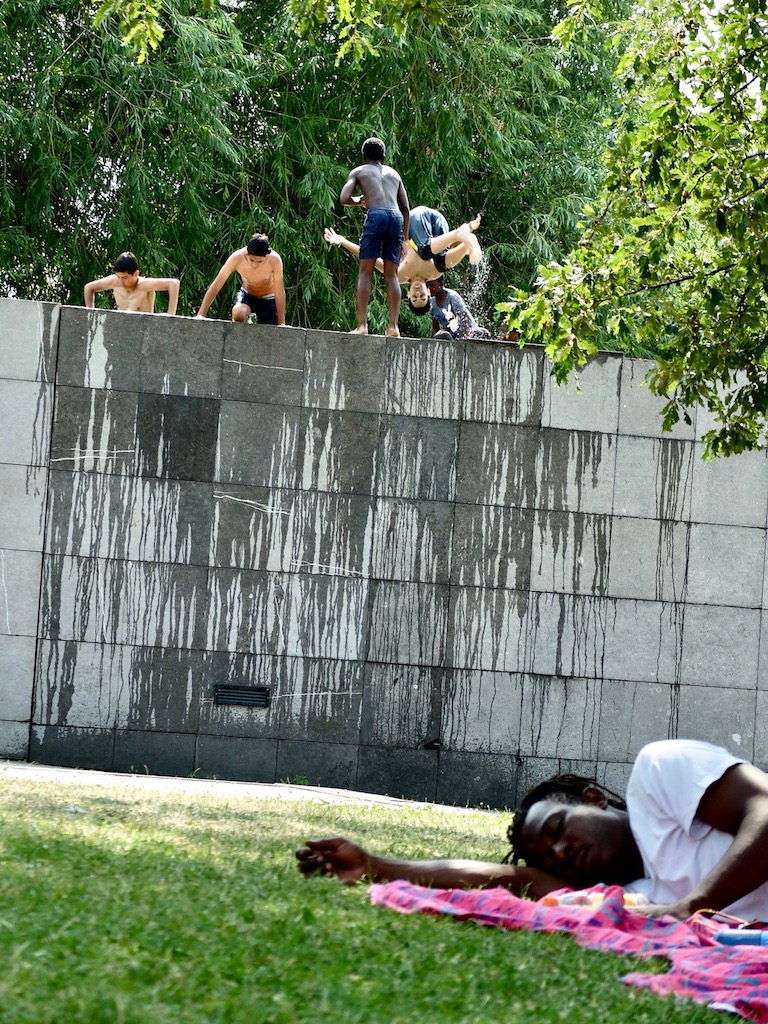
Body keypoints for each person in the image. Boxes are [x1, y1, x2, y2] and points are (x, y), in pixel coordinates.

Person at [296, 739, 768, 922]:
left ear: (593, 798)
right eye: (550, 856)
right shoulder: (627, 895)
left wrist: (692, 906)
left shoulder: (658, 773)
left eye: (559, 827)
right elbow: (509, 883)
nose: (562, 850)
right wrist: (377, 866)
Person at [339, 137, 410, 338]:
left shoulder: (359, 171)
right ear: (384, 157)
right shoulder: (394, 174)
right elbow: (405, 208)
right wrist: (405, 239)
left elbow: (344, 198)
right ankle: (393, 328)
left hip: (376, 215)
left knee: (365, 272)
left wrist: (359, 201)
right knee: (392, 275)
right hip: (396, 218)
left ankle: (362, 326)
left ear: (364, 157)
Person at [196, 233, 286, 324]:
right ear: (247, 253)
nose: (254, 265)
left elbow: (279, 292)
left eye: (259, 261)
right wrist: (201, 314)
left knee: (269, 327)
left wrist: (281, 322)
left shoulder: (275, 260)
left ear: (267, 256)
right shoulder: (237, 257)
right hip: (247, 294)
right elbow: (217, 284)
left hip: (268, 298)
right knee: (239, 314)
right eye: (251, 260)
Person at [83, 252, 179, 314]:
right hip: (123, 330)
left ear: (136, 274)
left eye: (125, 277)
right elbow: (89, 287)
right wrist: (91, 314)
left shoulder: (144, 285)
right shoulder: (114, 282)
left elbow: (173, 284)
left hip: (144, 331)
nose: (121, 281)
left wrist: (170, 316)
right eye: (118, 277)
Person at [410, 276, 490, 340]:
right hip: (453, 337)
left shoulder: (452, 297)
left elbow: (465, 319)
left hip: (470, 334)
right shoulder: (431, 302)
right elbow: (435, 326)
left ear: (440, 284)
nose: (429, 288)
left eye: (431, 285)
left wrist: (465, 339)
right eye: (427, 286)